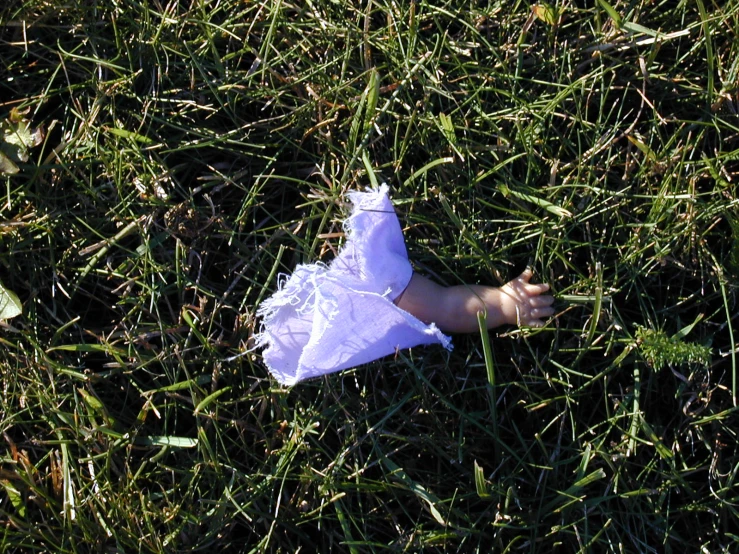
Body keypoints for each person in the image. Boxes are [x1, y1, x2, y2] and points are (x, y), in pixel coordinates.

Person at [255, 185, 554, 385]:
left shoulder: (386, 290)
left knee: (439, 306)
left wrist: (504, 305)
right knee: (439, 306)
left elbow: (450, 308)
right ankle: (501, 304)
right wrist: (503, 305)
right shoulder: (382, 299)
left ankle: (501, 304)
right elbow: (448, 308)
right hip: (382, 285)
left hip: (384, 283)